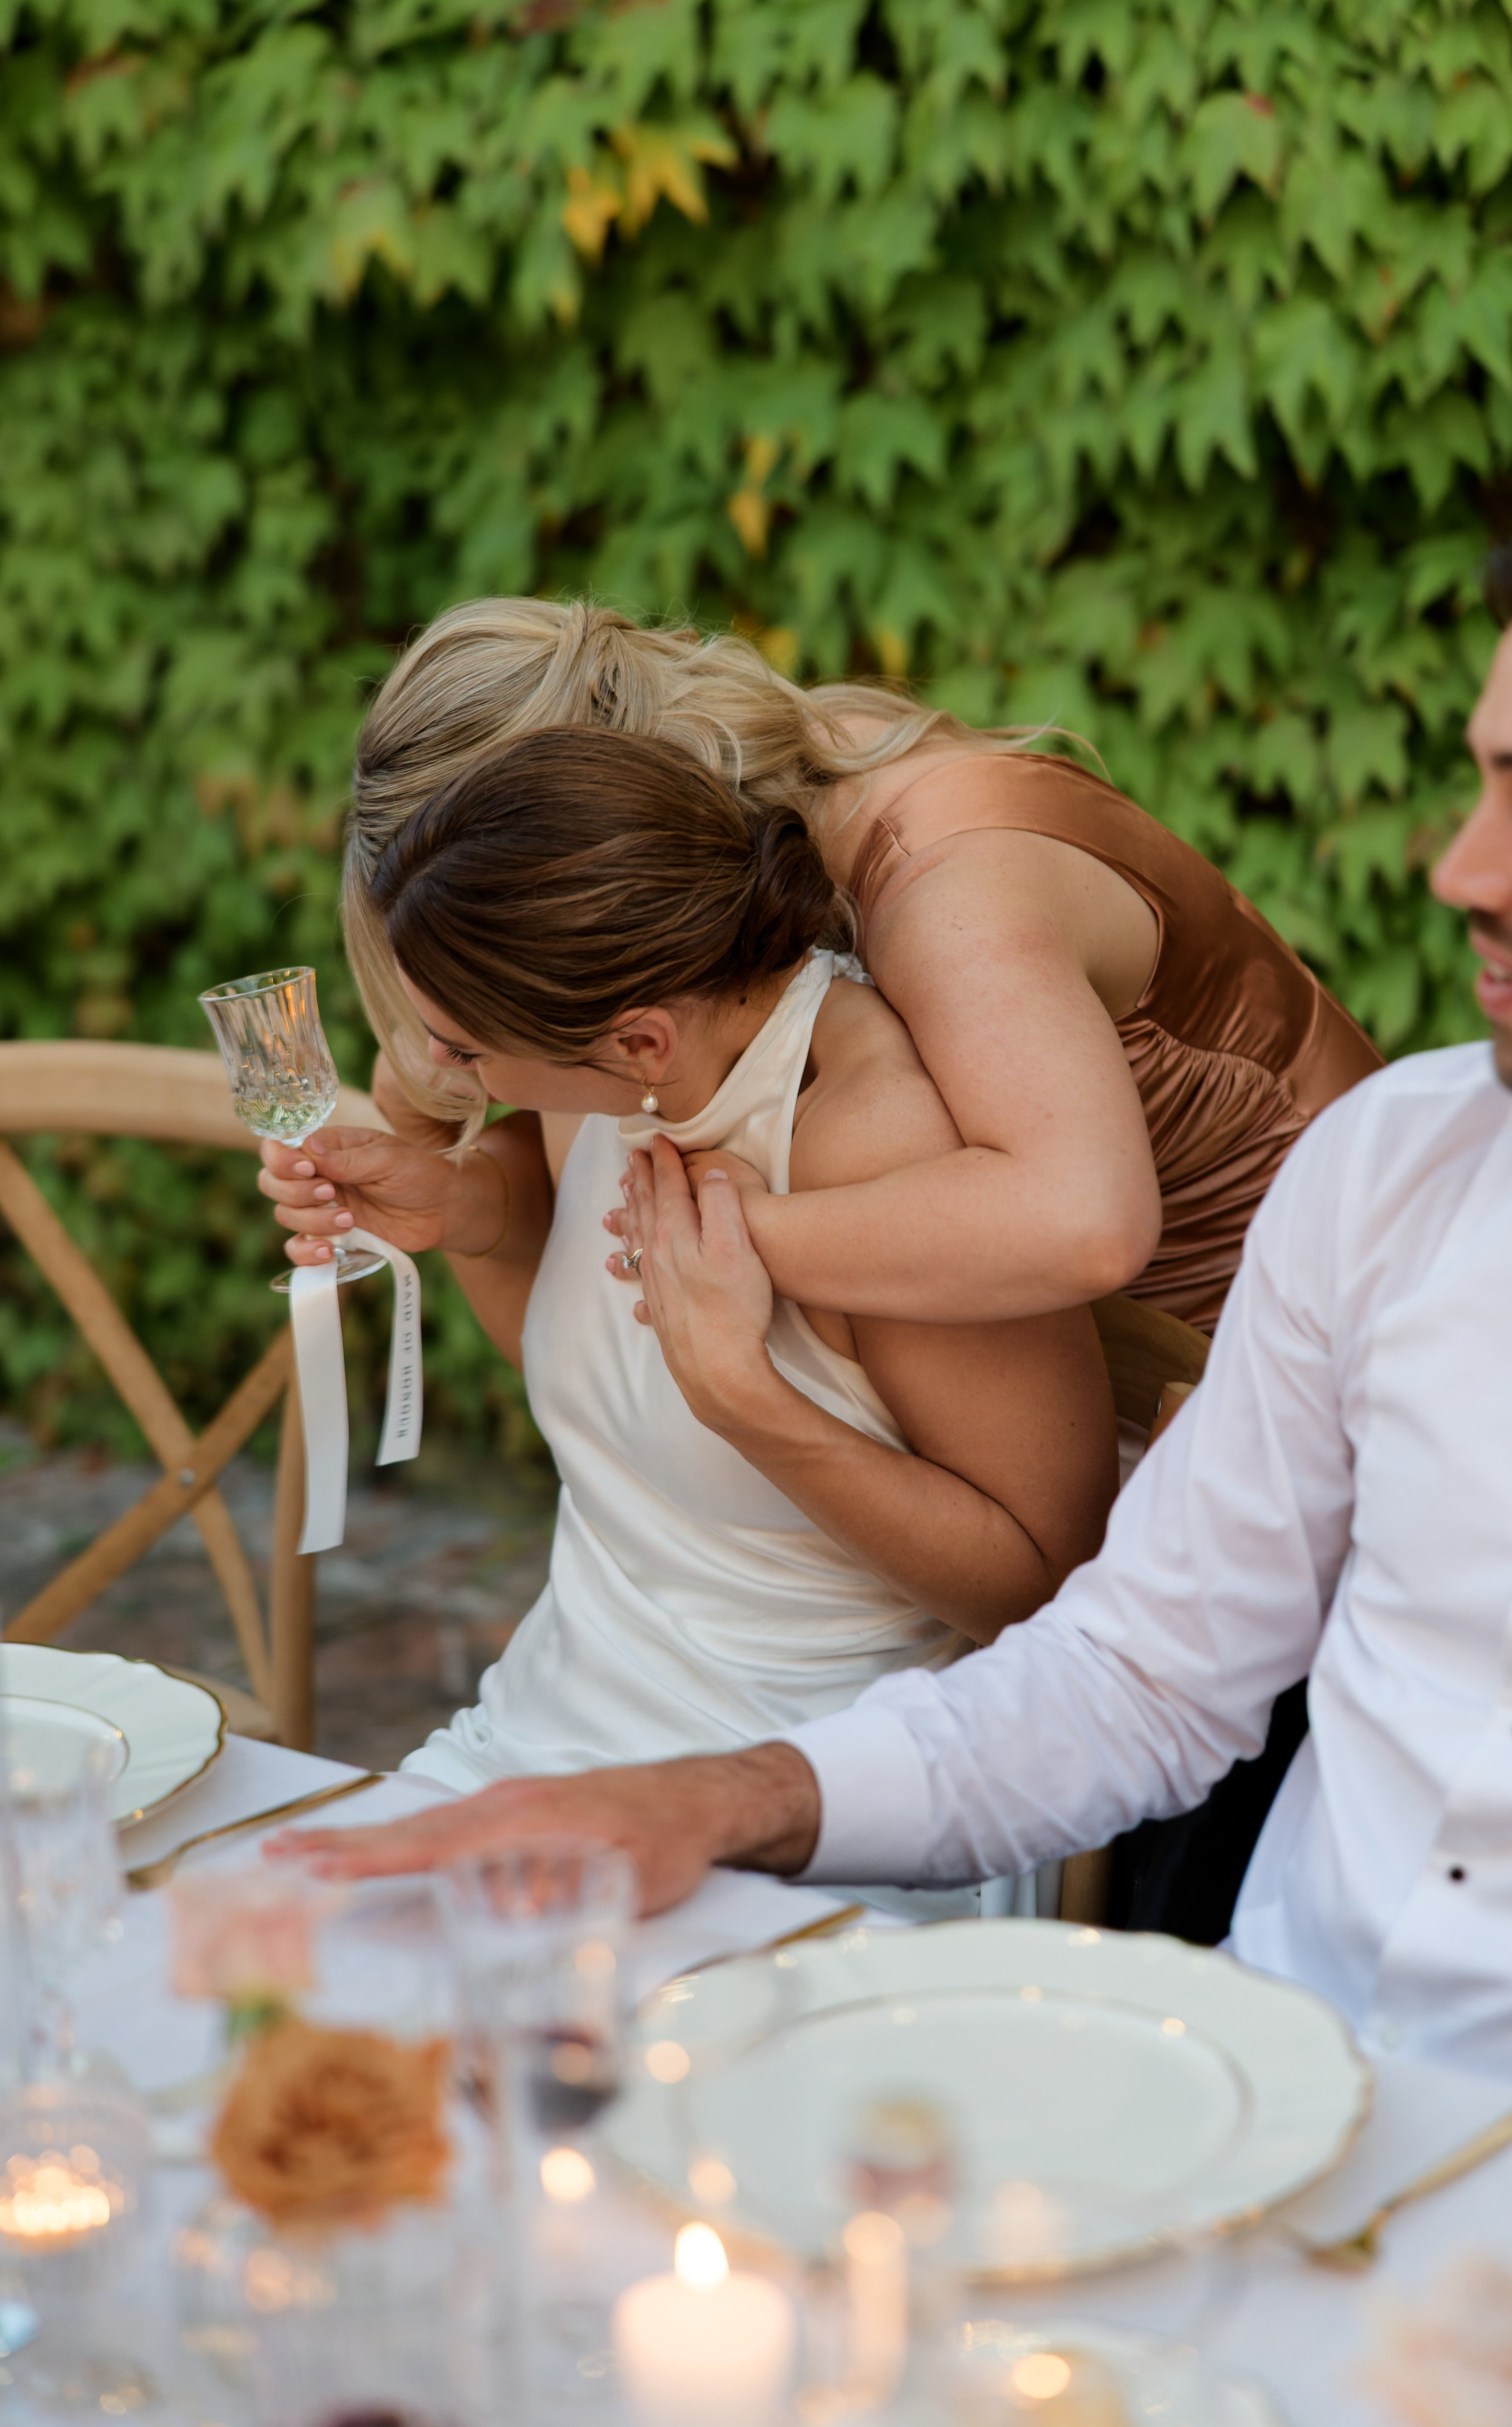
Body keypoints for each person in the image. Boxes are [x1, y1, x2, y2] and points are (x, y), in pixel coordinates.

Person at [275, 572, 1512, 2077]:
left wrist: (748, 1276)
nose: (1458, 871)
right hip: (1207, 1567)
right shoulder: (721, 958)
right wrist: (497, 1218)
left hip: (1266, 1408)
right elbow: (1121, 1673)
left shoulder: (927, 898)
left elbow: (1081, 1224)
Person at [270, 728, 1113, 1790]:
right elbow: (604, 1404)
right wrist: (468, 1207)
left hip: (814, 1799)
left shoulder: (869, 1142)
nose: (425, 1064)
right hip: (527, 1745)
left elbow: (1046, 1583)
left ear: (639, 1040)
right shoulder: (615, 1092)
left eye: (465, 1047)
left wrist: (745, 1400)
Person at [323, 597, 1380, 1337]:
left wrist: (731, 1241)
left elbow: (1086, 1222)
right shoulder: (787, 773)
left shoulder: (939, 885)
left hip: (1312, 1351)